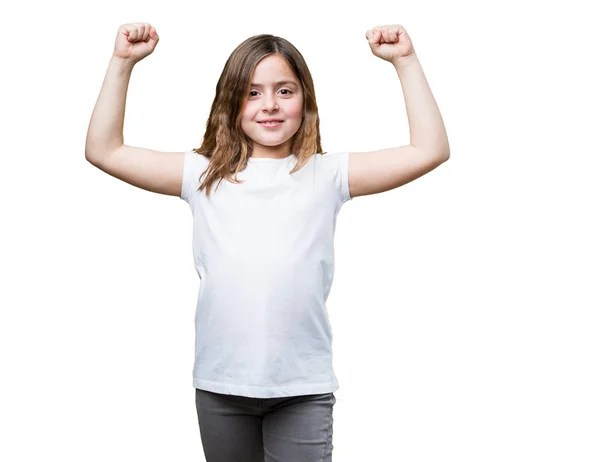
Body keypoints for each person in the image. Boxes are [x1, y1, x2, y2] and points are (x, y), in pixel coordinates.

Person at [85, 22, 450, 462]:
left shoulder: (327, 174)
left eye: (285, 90)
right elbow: (104, 150)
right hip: (222, 387)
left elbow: (430, 149)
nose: (270, 105)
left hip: (302, 388)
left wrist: (404, 61)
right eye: (253, 92)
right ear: (230, 102)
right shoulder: (202, 176)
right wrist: (123, 63)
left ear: (305, 101)